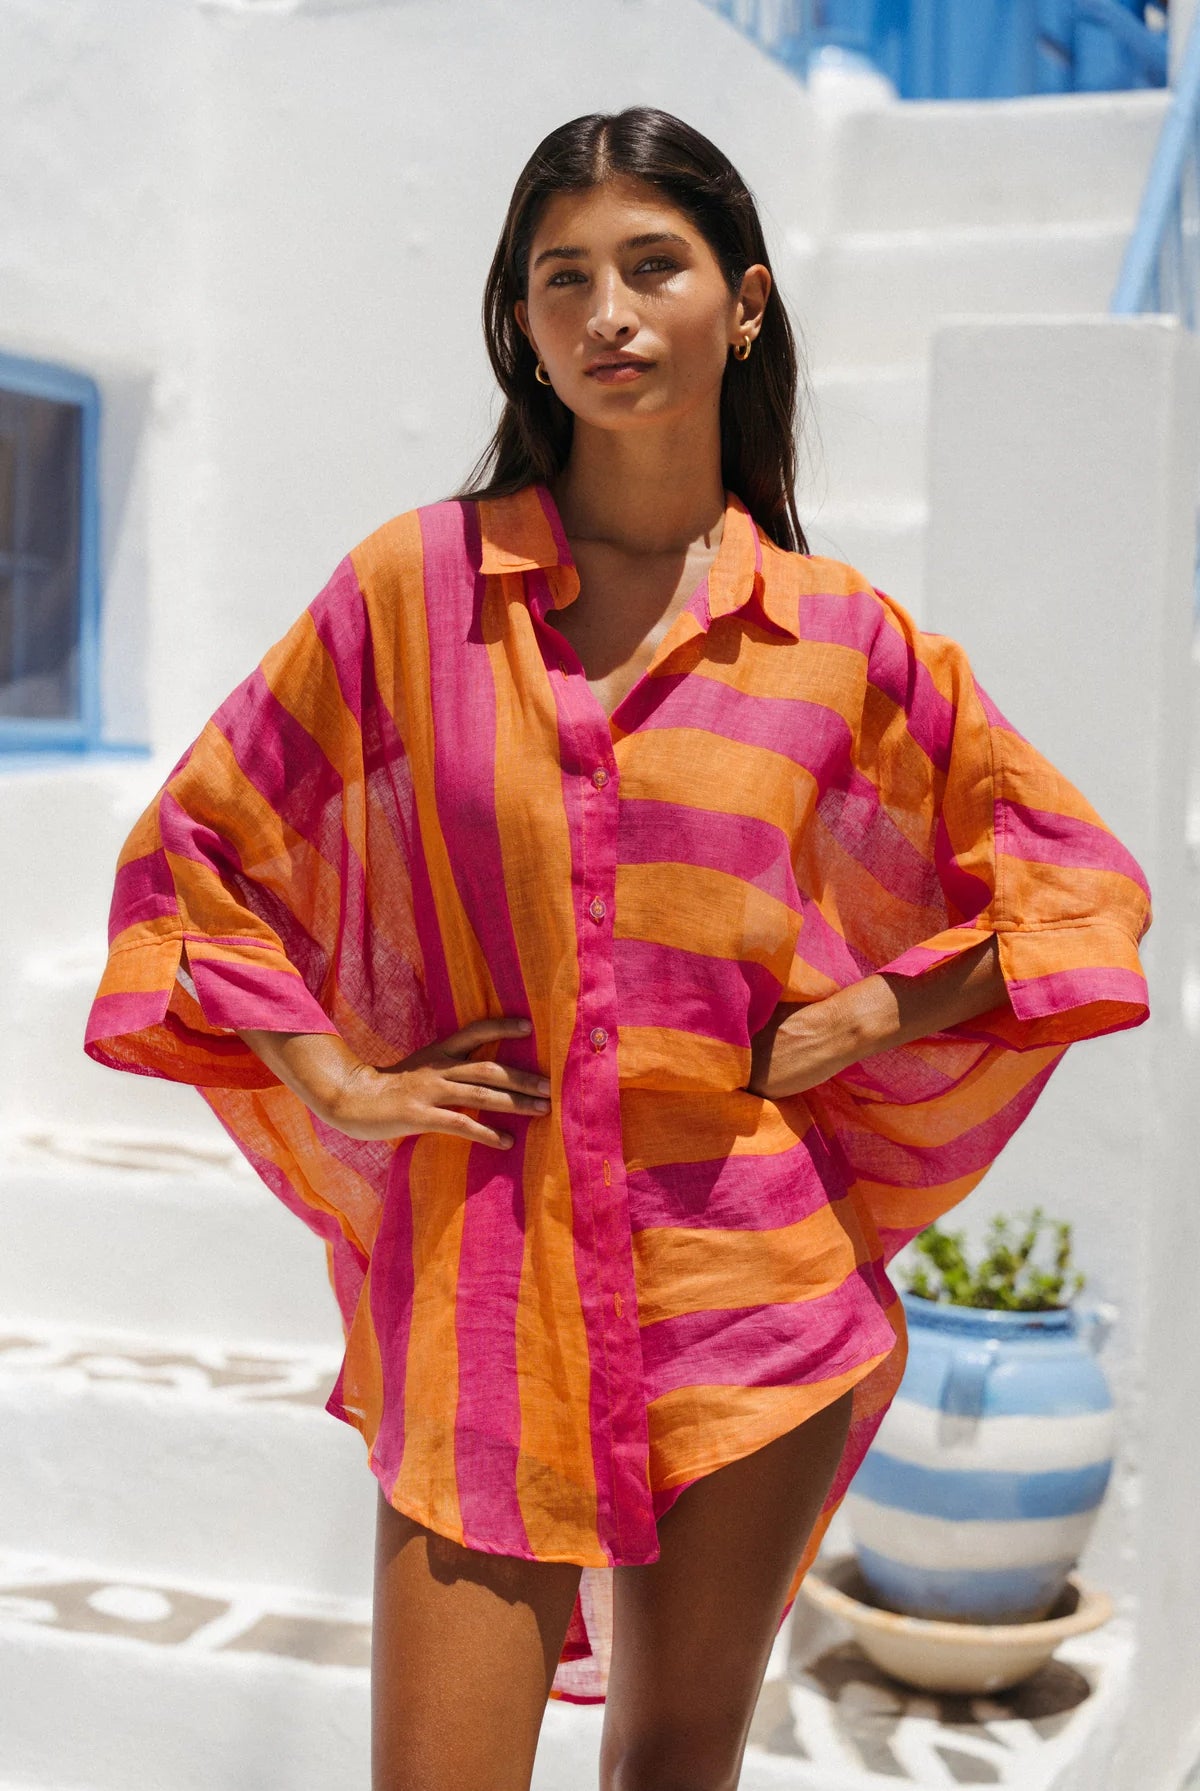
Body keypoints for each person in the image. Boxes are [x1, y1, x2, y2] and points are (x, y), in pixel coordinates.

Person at [84, 107, 1153, 1791]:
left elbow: (1076, 885)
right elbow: (198, 850)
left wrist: (860, 1016)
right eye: (561, 278)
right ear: (521, 321)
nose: (608, 313)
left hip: (753, 1293)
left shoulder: (838, 639)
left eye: (653, 266)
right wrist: (337, 1079)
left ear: (745, 302)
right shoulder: (414, 592)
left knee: (671, 1771)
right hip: (482, 1285)